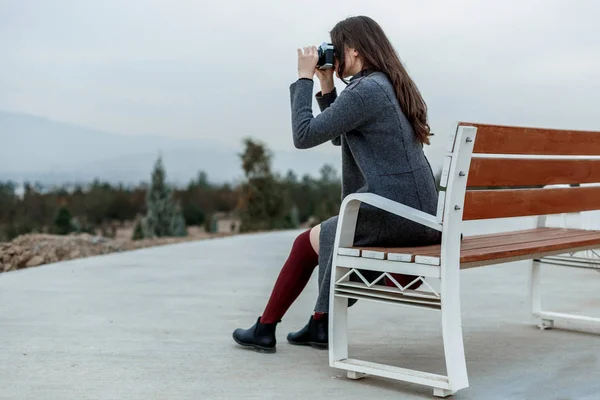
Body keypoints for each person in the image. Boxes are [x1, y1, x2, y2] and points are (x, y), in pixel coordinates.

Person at [232, 15, 441, 353]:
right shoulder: (387, 84)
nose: (332, 55)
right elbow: (340, 137)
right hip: (421, 214)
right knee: (329, 235)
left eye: (335, 48)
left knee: (308, 242)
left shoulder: (366, 90)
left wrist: (303, 78)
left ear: (354, 49)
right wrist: (327, 86)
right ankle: (318, 322)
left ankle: (267, 328)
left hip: (394, 213)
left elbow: (305, 136)